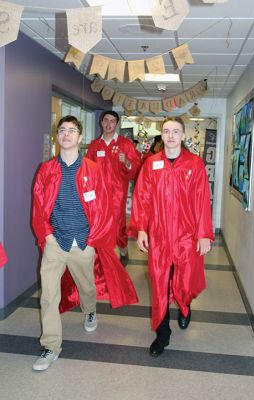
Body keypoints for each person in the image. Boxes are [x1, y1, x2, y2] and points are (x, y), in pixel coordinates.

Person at [32, 115, 138, 372]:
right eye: (62, 130)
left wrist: (92, 241)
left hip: (82, 241)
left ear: (80, 138)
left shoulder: (92, 169)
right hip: (56, 242)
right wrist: (46, 234)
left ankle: (89, 309)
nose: (66, 134)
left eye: (72, 131)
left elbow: (103, 209)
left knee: (87, 286)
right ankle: (51, 346)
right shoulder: (46, 171)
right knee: (48, 296)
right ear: (58, 137)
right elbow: (38, 207)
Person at [128, 116, 214, 357]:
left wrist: (204, 234)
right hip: (160, 236)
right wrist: (142, 228)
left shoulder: (194, 164)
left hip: (187, 236)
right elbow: (142, 198)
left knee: (185, 281)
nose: (171, 136)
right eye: (166, 131)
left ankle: (185, 306)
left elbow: (201, 202)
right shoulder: (152, 164)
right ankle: (162, 333)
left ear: (183, 135)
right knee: (160, 283)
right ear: (162, 135)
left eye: (176, 131)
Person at [86, 110, 141, 265]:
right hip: (98, 193)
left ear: (116, 124)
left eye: (112, 121)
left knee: (118, 224)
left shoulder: (125, 144)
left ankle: (123, 249)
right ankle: (102, 257)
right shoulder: (95, 145)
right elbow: (87, 169)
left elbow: (135, 166)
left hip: (117, 192)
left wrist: (127, 162)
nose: (108, 124)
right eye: (106, 120)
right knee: (98, 223)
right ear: (101, 123)